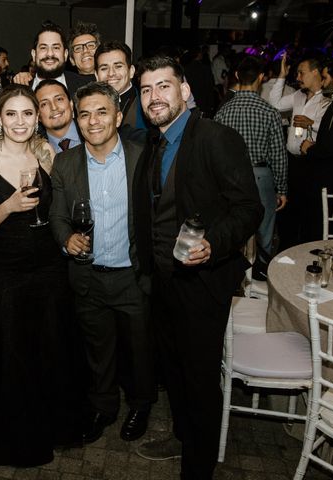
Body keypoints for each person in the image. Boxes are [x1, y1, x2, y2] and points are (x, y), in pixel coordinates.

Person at [133, 55, 262, 479]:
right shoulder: (155, 143)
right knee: (173, 370)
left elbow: (248, 208)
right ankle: (183, 438)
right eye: (147, 89)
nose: (154, 97)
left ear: (184, 90)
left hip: (203, 283)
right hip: (163, 282)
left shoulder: (215, 137)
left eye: (163, 86)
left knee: (200, 379)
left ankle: (198, 468)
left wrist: (214, 244)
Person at [0, 84, 83, 467]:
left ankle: (56, 425)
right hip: (8, 266)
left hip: (49, 264)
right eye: (12, 114)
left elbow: (56, 208)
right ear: (0, 120)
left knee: (52, 341)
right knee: (13, 346)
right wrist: (10, 205)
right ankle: (15, 437)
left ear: (37, 119)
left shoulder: (45, 153)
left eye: (27, 114)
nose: (20, 122)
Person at [49, 82, 154, 445]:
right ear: (77, 121)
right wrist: (66, 239)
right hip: (88, 277)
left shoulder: (143, 158)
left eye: (101, 111)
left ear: (118, 115)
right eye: (85, 114)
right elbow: (57, 216)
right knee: (98, 350)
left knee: (139, 349)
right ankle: (104, 407)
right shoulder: (64, 163)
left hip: (132, 276)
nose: (93, 121)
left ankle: (141, 404)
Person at [214, 55, 288, 280]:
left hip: (231, 175)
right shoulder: (269, 111)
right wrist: (282, 188)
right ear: (262, 78)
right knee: (265, 228)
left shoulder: (223, 111)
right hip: (260, 175)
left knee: (235, 224)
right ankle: (261, 274)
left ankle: (236, 276)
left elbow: (214, 151)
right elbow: (278, 154)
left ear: (237, 76)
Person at [268, 53, 329, 248]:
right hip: (291, 161)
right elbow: (274, 104)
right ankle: (287, 248)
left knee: (309, 210)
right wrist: (281, 76)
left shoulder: (328, 100)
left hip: (312, 163)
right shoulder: (297, 96)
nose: (298, 77)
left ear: (315, 72)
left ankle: (307, 248)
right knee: (289, 211)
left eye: (301, 73)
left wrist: (313, 123)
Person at [300, 55, 333, 239]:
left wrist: (309, 148)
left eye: (326, 78)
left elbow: (329, 148)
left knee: (323, 232)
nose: (325, 83)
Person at [12, 20, 92, 98]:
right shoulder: (19, 89)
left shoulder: (87, 86)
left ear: (65, 54)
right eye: (43, 48)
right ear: (34, 54)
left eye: (56, 47)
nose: (50, 54)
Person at [94, 41, 147, 143]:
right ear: (96, 75)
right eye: (104, 68)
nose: (111, 73)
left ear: (131, 71)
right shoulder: (89, 106)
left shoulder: (146, 103)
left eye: (118, 66)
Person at [34, 79, 82, 153]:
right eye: (44, 104)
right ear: (38, 115)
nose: (54, 107)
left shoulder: (93, 131)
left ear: (71, 104)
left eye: (59, 99)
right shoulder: (34, 149)